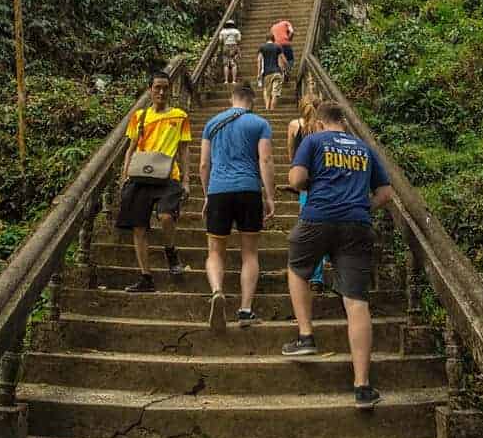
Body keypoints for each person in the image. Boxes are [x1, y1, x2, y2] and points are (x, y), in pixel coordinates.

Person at [281, 100, 393, 410]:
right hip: (357, 224)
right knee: (356, 301)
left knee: (297, 268)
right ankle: (362, 386)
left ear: (317, 122)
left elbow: (296, 179)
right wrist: (360, 206)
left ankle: (306, 337)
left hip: (318, 217)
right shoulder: (362, 146)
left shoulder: (313, 140)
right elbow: (385, 194)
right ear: (343, 122)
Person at [200, 83, 276, 331]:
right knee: (250, 253)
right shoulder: (259, 123)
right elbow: (265, 160)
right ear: (251, 101)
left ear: (231, 99)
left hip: (219, 190)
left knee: (215, 252)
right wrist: (270, 196)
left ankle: (217, 291)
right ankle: (245, 310)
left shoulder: (212, 123)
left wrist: (207, 195)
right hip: (248, 190)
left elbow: (203, 165)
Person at [116, 71, 192, 292]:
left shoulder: (180, 116)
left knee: (166, 216)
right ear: (150, 89)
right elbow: (130, 148)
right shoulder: (139, 116)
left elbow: (184, 150)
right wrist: (124, 175)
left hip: (169, 175)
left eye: (165, 88)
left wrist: (186, 180)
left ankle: (170, 250)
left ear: (170, 90)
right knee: (139, 227)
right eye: (157, 87)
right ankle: (146, 277)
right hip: (140, 175)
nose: (161, 92)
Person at [286, 96, 330, 293]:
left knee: (310, 229)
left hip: (304, 182)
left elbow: (290, 152)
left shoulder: (295, 125)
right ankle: (323, 268)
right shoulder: (324, 129)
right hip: (324, 181)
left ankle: (315, 275)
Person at [257, 33, 287, 111]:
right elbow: (283, 60)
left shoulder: (262, 47)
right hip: (277, 72)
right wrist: (285, 68)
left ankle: (267, 108)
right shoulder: (277, 47)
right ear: (273, 39)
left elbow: (259, 60)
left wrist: (259, 73)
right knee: (275, 93)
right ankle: (272, 109)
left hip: (267, 73)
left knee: (267, 92)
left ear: (266, 39)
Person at [219, 19, 242, 85]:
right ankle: (234, 81)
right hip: (234, 46)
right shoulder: (236, 31)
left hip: (225, 46)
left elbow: (220, 40)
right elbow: (239, 40)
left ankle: (226, 80)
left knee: (226, 64)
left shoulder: (222, 31)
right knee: (233, 63)